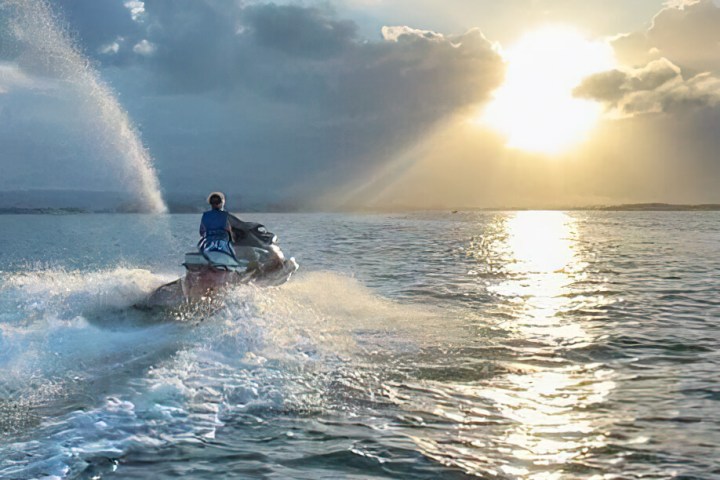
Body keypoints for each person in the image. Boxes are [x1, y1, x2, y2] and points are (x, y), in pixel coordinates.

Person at [198, 192, 235, 257]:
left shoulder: (205, 215)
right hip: (223, 244)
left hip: (208, 243)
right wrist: (231, 239)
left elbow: (201, 232)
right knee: (232, 254)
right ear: (221, 203)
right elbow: (228, 230)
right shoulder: (225, 215)